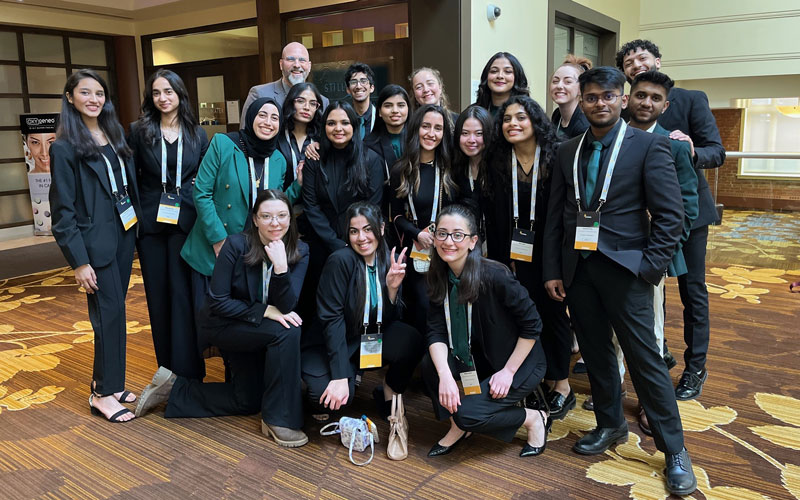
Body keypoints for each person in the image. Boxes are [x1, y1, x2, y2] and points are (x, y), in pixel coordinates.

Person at [542, 66, 696, 496]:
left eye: (608, 96)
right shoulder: (568, 149)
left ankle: (675, 450)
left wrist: (649, 268)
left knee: (646, 361)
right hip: (579, 271)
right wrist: (554, 270)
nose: (600, 103)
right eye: (591, 97)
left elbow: (671, 216)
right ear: (583, 100)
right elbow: (557, 215)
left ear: (622, 100)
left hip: (628, 271)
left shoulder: (649, 146)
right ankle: (610, 425)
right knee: (596, 354)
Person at [136, 190, 310, 448]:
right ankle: (279, 420)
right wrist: (263, 311)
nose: (275, 223)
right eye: (266, 216)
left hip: (258, 328)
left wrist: (281, 268)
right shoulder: (235, 245)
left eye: (282, 216)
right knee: (288, 330)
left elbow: (286, 306)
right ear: (255, 219)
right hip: (225, 325)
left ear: (290, 218)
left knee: (247, 401)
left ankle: (175, 389)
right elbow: (218, 301)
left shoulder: (300, 250)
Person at [616, 39, 726, 400]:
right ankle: (659, 352)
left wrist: (690, 149)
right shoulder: (624, 112)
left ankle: (696, 366)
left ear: (658, 61)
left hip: (688, 215)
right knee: (650, 288)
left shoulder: (690, 100)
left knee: (692, 291)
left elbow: (717, 152)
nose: (636, 64)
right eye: (629, 62)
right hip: (640, 220)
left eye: (642, 58)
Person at [421, 204, 549, 458]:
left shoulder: (495, 275)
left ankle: (533, 418)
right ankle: (458, 426)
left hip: (518, 362)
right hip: (477, 356)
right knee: (430, 365)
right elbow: (435, 331)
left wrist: (508, 372)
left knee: (468, 413)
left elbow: (532, 324)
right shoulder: (439, 274)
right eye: (442, 234)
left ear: (472, 241)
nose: (449, 241)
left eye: (458, 235)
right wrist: (445, 375)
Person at [50, 69, 139, 422]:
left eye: (99, 93)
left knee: (116, 311)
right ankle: (102, 394)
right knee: (107, 315)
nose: (93, 99)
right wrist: (79, 262)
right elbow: (62, 212)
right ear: (70, 98)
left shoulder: (113, 134)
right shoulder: (63, 147)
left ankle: (113, 383)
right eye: (85, 93)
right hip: (94, 244)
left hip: (122, 234)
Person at [482, 95, 574, 420]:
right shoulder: (497, 160)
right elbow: (494, 216)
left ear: (535, 120)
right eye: (507, 119)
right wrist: (500, 261)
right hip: (512, 256)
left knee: (553, 315)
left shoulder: (556, 155)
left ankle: (561, 385)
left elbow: (564, 216)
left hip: (550, 255)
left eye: (520, 117)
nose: (513, 124)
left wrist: (555, 266)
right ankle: (537, 379)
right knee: (522, 317)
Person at [301, 202, 425, 418]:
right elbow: (332, 320)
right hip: (331, 343)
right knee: (329, 400)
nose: (361, 238)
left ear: (381, 228)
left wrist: (392, 290)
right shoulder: (340, 261)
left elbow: (391, 320)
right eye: (354, 231)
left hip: (365, 339)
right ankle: (345, 374)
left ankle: (388, 390)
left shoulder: (388, 258)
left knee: (411, 339)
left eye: (368, 229)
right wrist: (340, 376)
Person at [626, 69, 699, 435]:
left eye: (655, 98)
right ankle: (612, 391)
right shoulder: (611, 138)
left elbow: (687, 208)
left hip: (650, 258)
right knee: (611, 332)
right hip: (610, 253)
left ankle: (650, 402)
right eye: (641, 95)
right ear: (628, 98)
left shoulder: (675, 145)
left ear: (665, 106)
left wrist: (661, 255)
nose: (647, 103)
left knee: (650, 333)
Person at [129, 69, 208, 380]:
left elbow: (203, 177)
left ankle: (190, 371)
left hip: (186, 222)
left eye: (168, 91)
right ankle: (166, 372)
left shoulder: (197, 134)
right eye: (156, 92)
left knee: (184, 296)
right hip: (151, 224)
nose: (163, 98)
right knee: (158, 298)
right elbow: (131, 178)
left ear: (180, 94)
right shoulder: (138, 131)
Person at [181, 97, 287, 313]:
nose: (268, 122)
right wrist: (219, 240)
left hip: (252, 252)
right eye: (262, 115)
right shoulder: (223, 144)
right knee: (209, 317)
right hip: (213, 246)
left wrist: (300, 185)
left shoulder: (278, 160)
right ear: (251, 117)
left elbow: (278, 204)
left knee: (241, 316)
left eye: (275, 118)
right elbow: (201, 192)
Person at [300, 101, 384, 330]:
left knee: (356, 302)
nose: (338, 128)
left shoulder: (371, 159)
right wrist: (335, 243)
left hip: (361, 242)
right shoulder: (314, 158)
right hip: (321, 242)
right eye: (331, 123)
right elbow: (311, 205)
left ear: (354, 126)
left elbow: (373, 206)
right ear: (324, 127)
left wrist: (353, 240)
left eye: (345, 122)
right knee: (321, 305)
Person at [390, 104, 458, 334]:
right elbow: (395, 216)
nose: (431, 133)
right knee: (422, 306)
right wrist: (416, 233)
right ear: (415, 129)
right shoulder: (401, 169)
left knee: (449, 305)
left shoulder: (451, 168)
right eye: (426, 126)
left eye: (438, 128)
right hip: (418, 250)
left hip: (449, 248)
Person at [240, 42, 329, 124]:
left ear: (309, 66)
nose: (297, 65)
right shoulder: (259, 94)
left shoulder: (322, 102)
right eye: (290, 59)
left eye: (302, 60)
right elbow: (245, 133)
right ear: (281, 64)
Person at [276, 82, 324, 209]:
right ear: (291, 103)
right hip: (283, 207)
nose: (307, 107)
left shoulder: (322, 139)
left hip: (317, 209)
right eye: (301, 101)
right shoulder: (277, 138)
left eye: (313, 103)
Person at [452, 104, 492, 223]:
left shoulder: (499, 168)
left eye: (479, 133)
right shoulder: (454, 167)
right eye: (465, 133)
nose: (471, 140)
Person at [475, 52, 530, 118]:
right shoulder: (474, 113)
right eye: (494, 71)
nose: (500, 76)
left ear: (517, 77)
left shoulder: (529, 112)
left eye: (508, 71)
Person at [550, 54, 592, 140]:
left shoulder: (583, 125)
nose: (559, 86)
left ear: (581, 88)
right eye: (555, 81)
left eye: (568, 82)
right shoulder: (557, 114)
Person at [344, 62, 376, 139]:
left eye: (363, 81)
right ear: (348, 90)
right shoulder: (343, 118)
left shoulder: (381, 117)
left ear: (371, 88)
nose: (358, 86)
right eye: (353, 82)